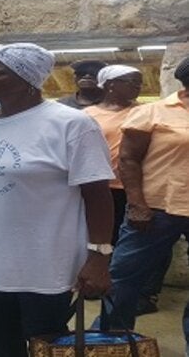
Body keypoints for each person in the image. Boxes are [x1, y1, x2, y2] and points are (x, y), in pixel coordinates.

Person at [0, 43, 114, 357]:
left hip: (45, 265)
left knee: (45, 345)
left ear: (27, 79)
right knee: (1, 341)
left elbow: (98, 196)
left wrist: (99, 257)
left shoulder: (72, 125)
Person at [101, 55, 189, 350]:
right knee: (124, 278)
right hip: (155, 210)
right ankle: (112, 342)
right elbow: (128, 159)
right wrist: (137, 204)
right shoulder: (153, 112)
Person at [83, 65, 143, 245]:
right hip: (97, 184)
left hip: (133, 187)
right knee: (97, 233)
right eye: (132, 82)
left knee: (127, 236)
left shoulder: (146, 112)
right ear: (110, 84)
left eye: (140, 83)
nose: (138, 87)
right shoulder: (86, 115)